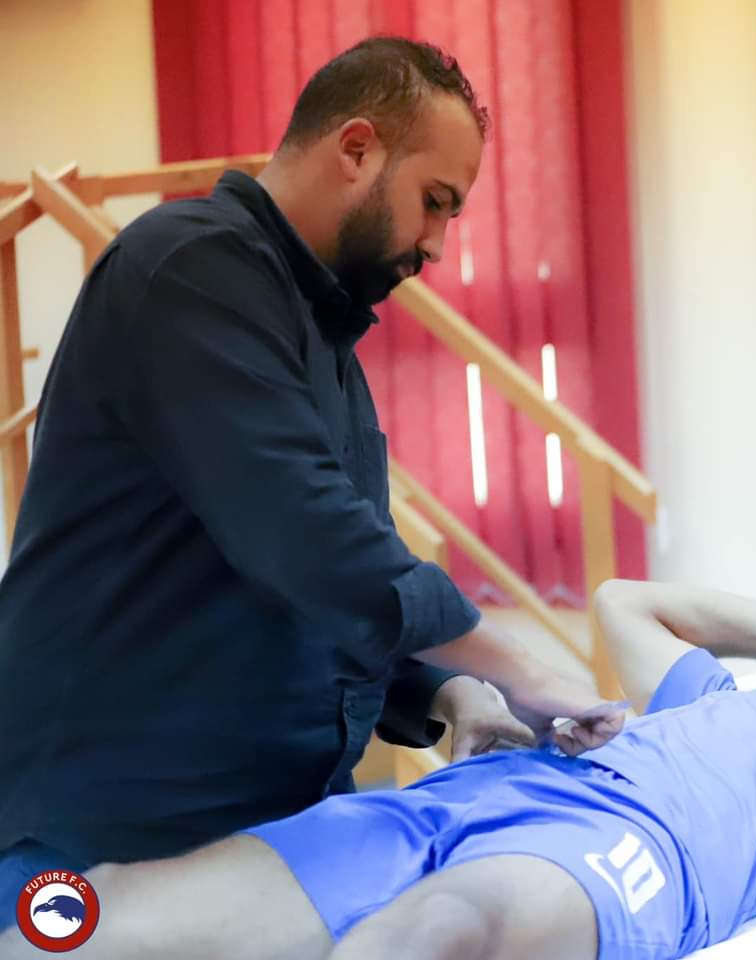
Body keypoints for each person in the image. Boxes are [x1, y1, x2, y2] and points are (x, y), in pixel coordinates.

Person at [0, 36, 621, 915]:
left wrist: (453, 692)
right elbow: (307, 538)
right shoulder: (189, 268)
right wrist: (518, 665)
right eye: (433, 202)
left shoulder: (322, 343)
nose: (438, 245)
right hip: (103, 836)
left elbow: (330, 599)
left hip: (254, 832)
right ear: (356, 148)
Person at [0, 480, 756, 960]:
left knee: (436, 937)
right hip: (485, 790)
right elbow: (631, 601)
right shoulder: (734, 699)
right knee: (99, 910)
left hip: (634, 850)